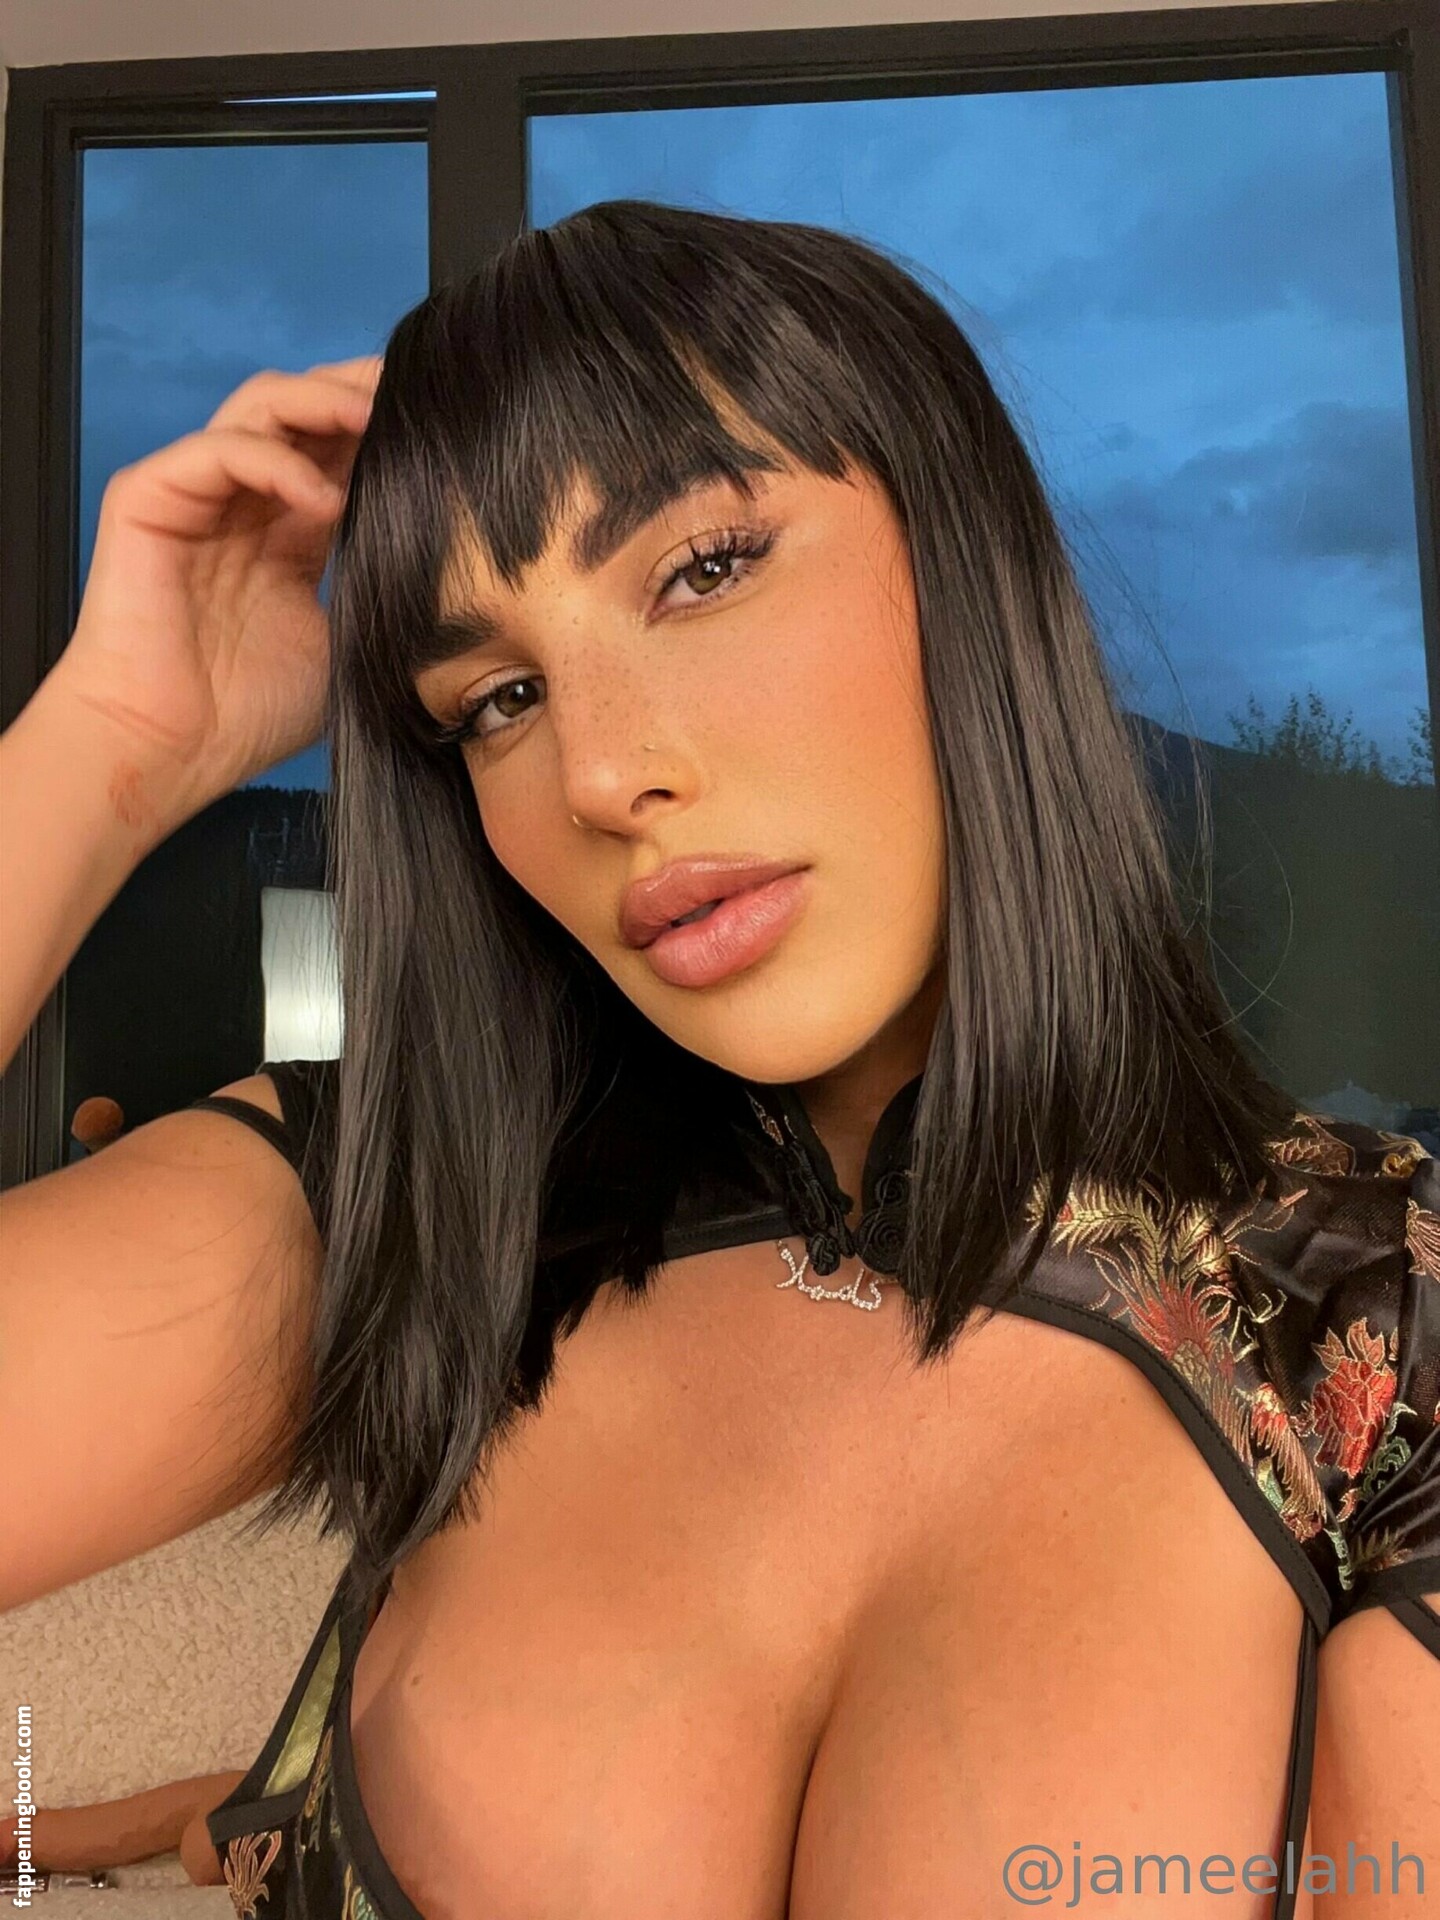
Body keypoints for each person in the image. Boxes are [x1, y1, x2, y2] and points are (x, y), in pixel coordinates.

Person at [1, 199, 1436, 1920]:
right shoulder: (405, 1211)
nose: (601, 776)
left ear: (962, 552)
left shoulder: (1372, 1318)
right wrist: (106, 749)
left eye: (702, 569)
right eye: (498, 701)